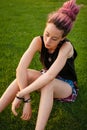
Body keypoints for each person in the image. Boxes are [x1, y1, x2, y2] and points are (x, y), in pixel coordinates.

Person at [0, 0, 80, 130]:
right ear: (45, 27)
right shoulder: (38, 41)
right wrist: (26, 99)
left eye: (54, 39)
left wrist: (20, 94)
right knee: (25, 73)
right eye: (46, 34)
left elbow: (50, 76)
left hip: (66, 86)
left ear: (63, 38)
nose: (47, 41)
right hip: (45, 77)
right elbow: (20, 69)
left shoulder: (66, 47)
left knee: (49, 83)